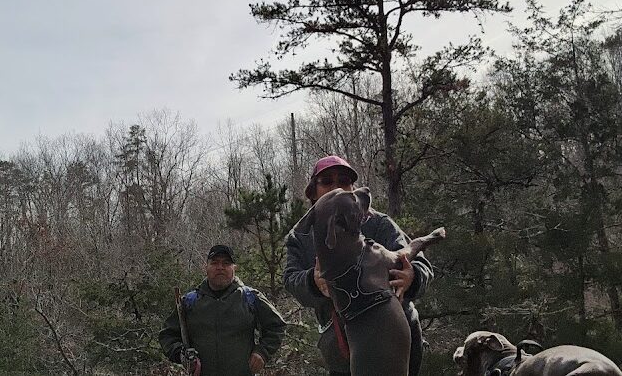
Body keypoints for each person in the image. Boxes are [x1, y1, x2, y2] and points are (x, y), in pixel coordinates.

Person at [284, 156, 435, 376]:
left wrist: (412, 277)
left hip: (396, 332)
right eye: (326, 181)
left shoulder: (378, 223)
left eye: (344, 180)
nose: (336, 186)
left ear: (353, 187)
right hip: (340, 341)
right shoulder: (301, 235)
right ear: (312, 192)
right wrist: (313, 282)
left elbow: (419, 262)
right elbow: (290, 279)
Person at [159, 245, 287, 376]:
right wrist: (180, 354)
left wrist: (262, 352)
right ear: (206, 267)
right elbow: (167, 335)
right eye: (214, 263)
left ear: (234, 268)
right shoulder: (189, 302)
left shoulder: (250, 298)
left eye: (226, 263)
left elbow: (276, 326)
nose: (220, 267)